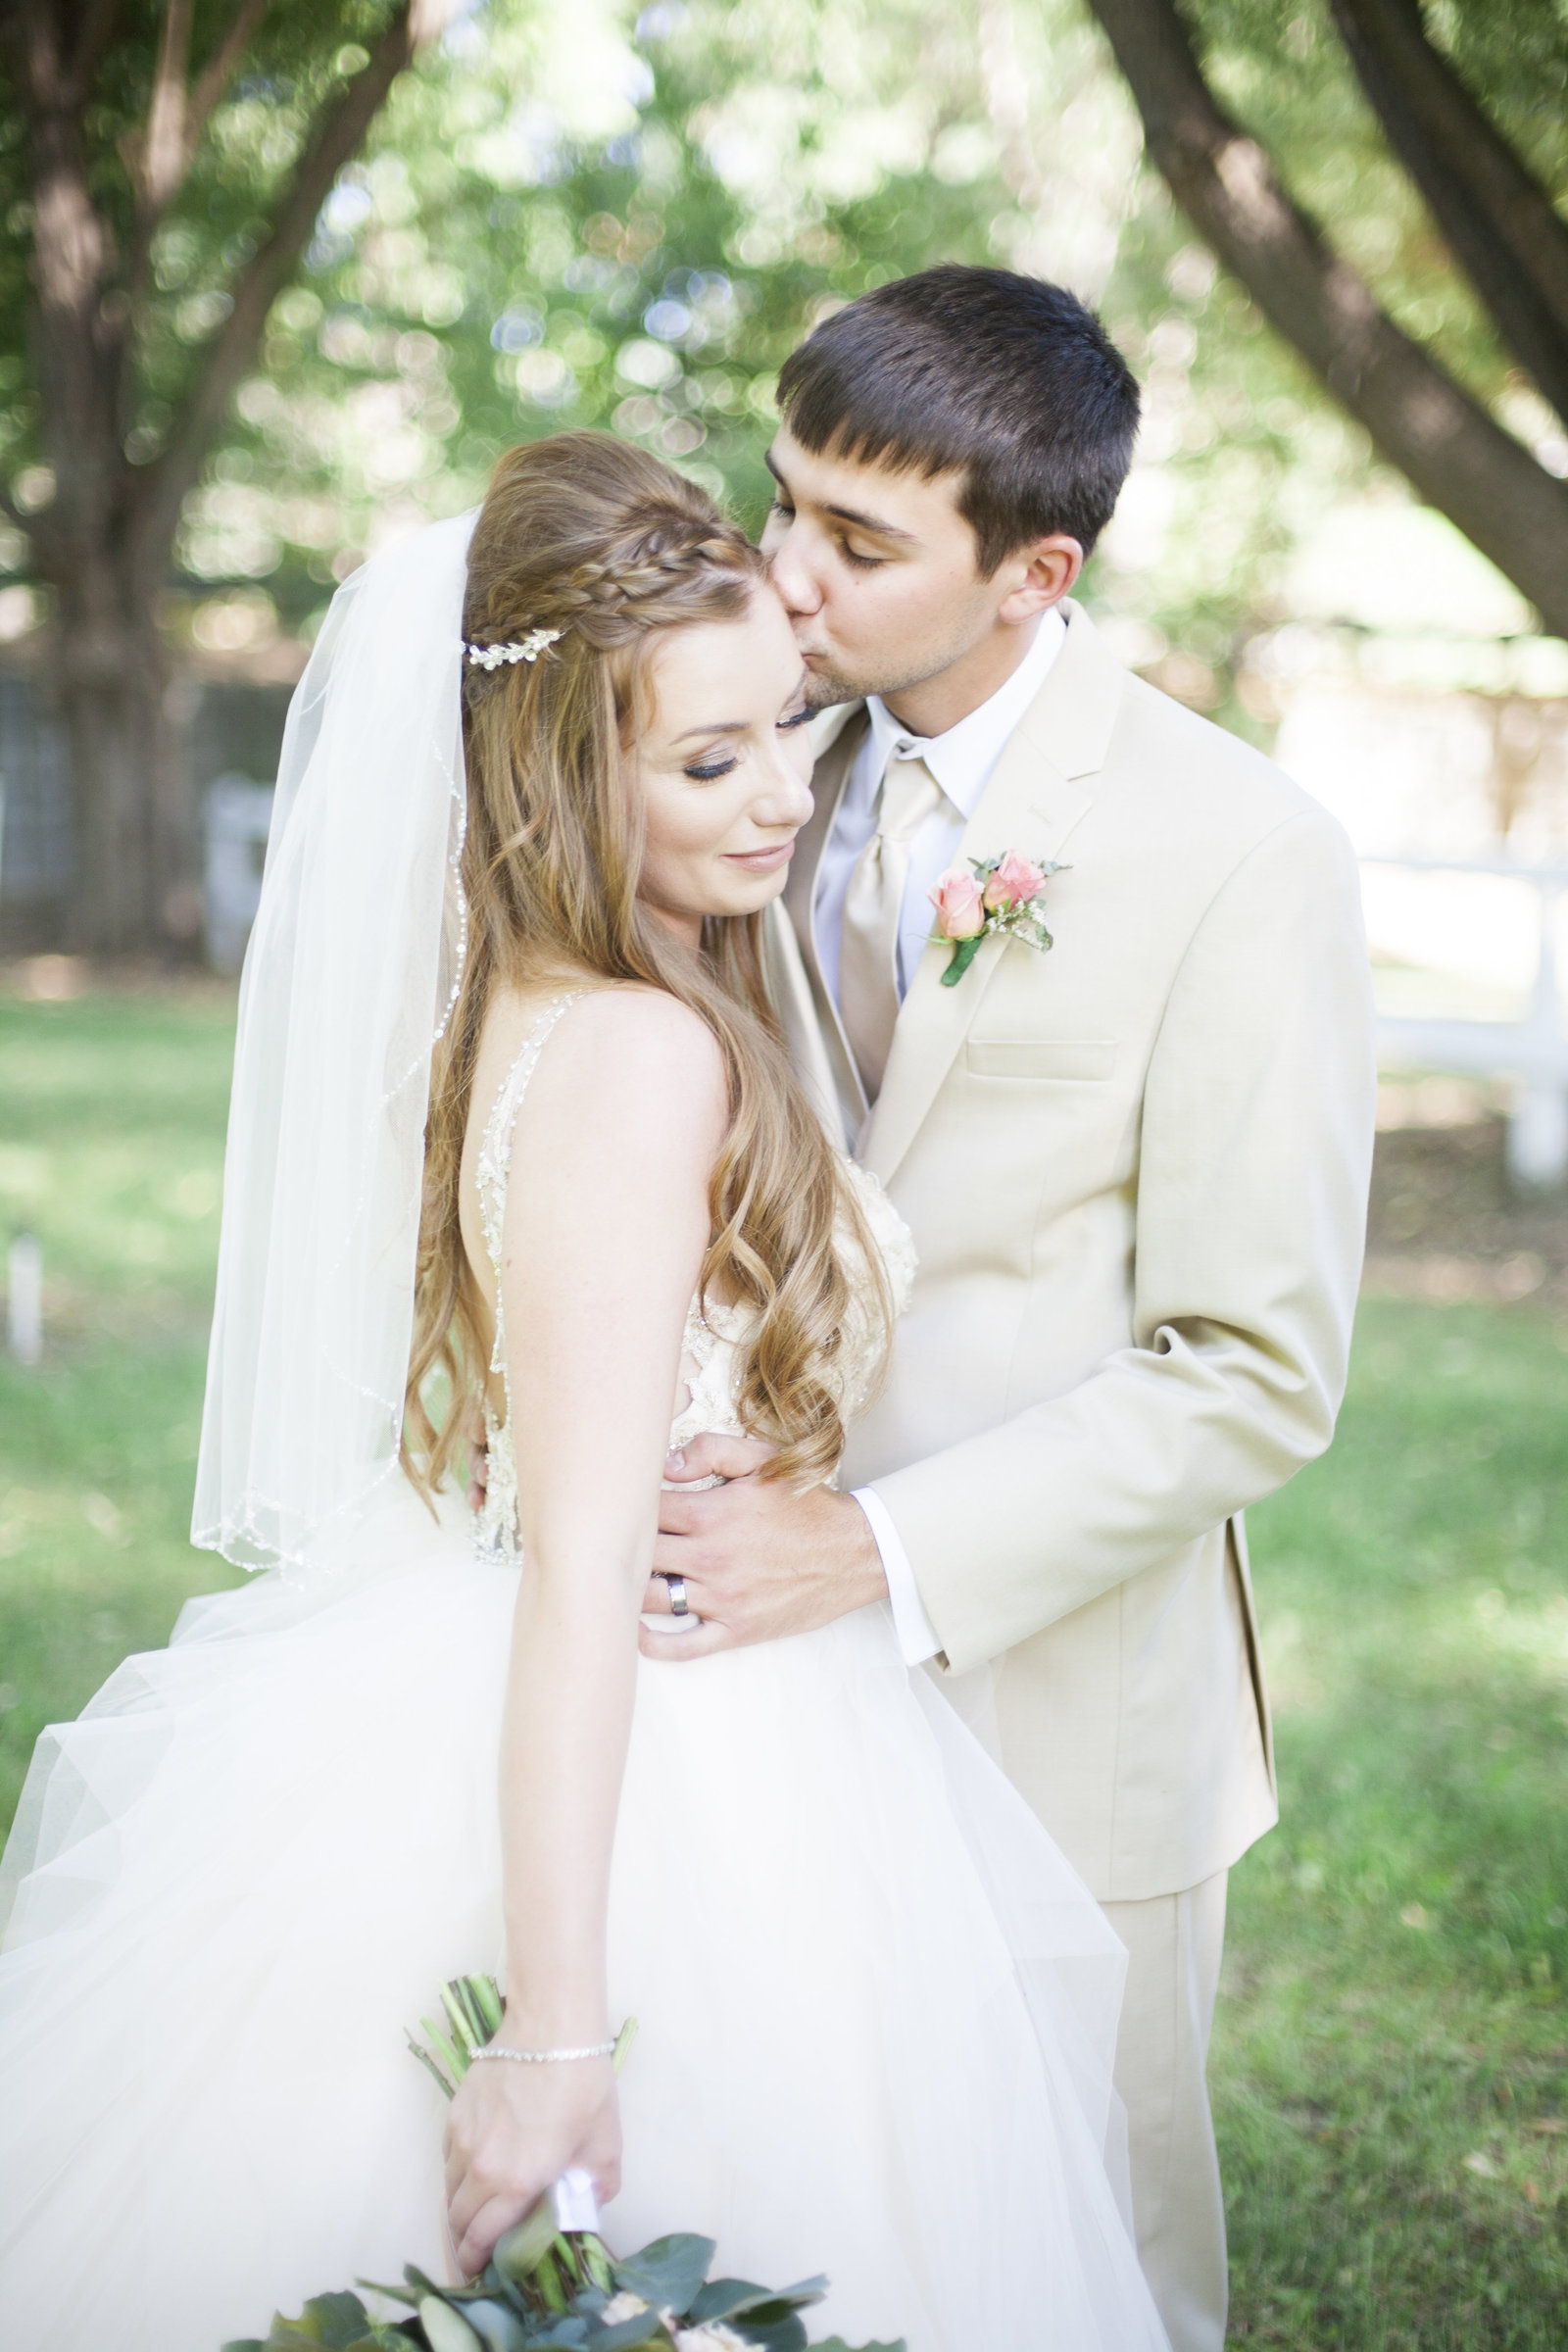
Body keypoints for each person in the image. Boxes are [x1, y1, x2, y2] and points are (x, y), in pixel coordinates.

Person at [0, 432, 1170, 2352]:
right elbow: (580, 1572)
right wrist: (555, 2032)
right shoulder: (641, 1056)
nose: (785, 791)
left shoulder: (528, 998)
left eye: (785, 727)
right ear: (557, 770)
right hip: (664, 1733)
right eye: (708, 761)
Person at [637, 268, 1379, 2352]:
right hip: (750, 1703)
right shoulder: (747, 777)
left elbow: (1251, 1374)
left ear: (1034, 572)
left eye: (857, 547)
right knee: (814, 2216)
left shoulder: (1240, 853)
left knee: (1082, 2256)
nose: (783, 582)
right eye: (778, 504)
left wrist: (865, 1552)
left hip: (1066, 1700)